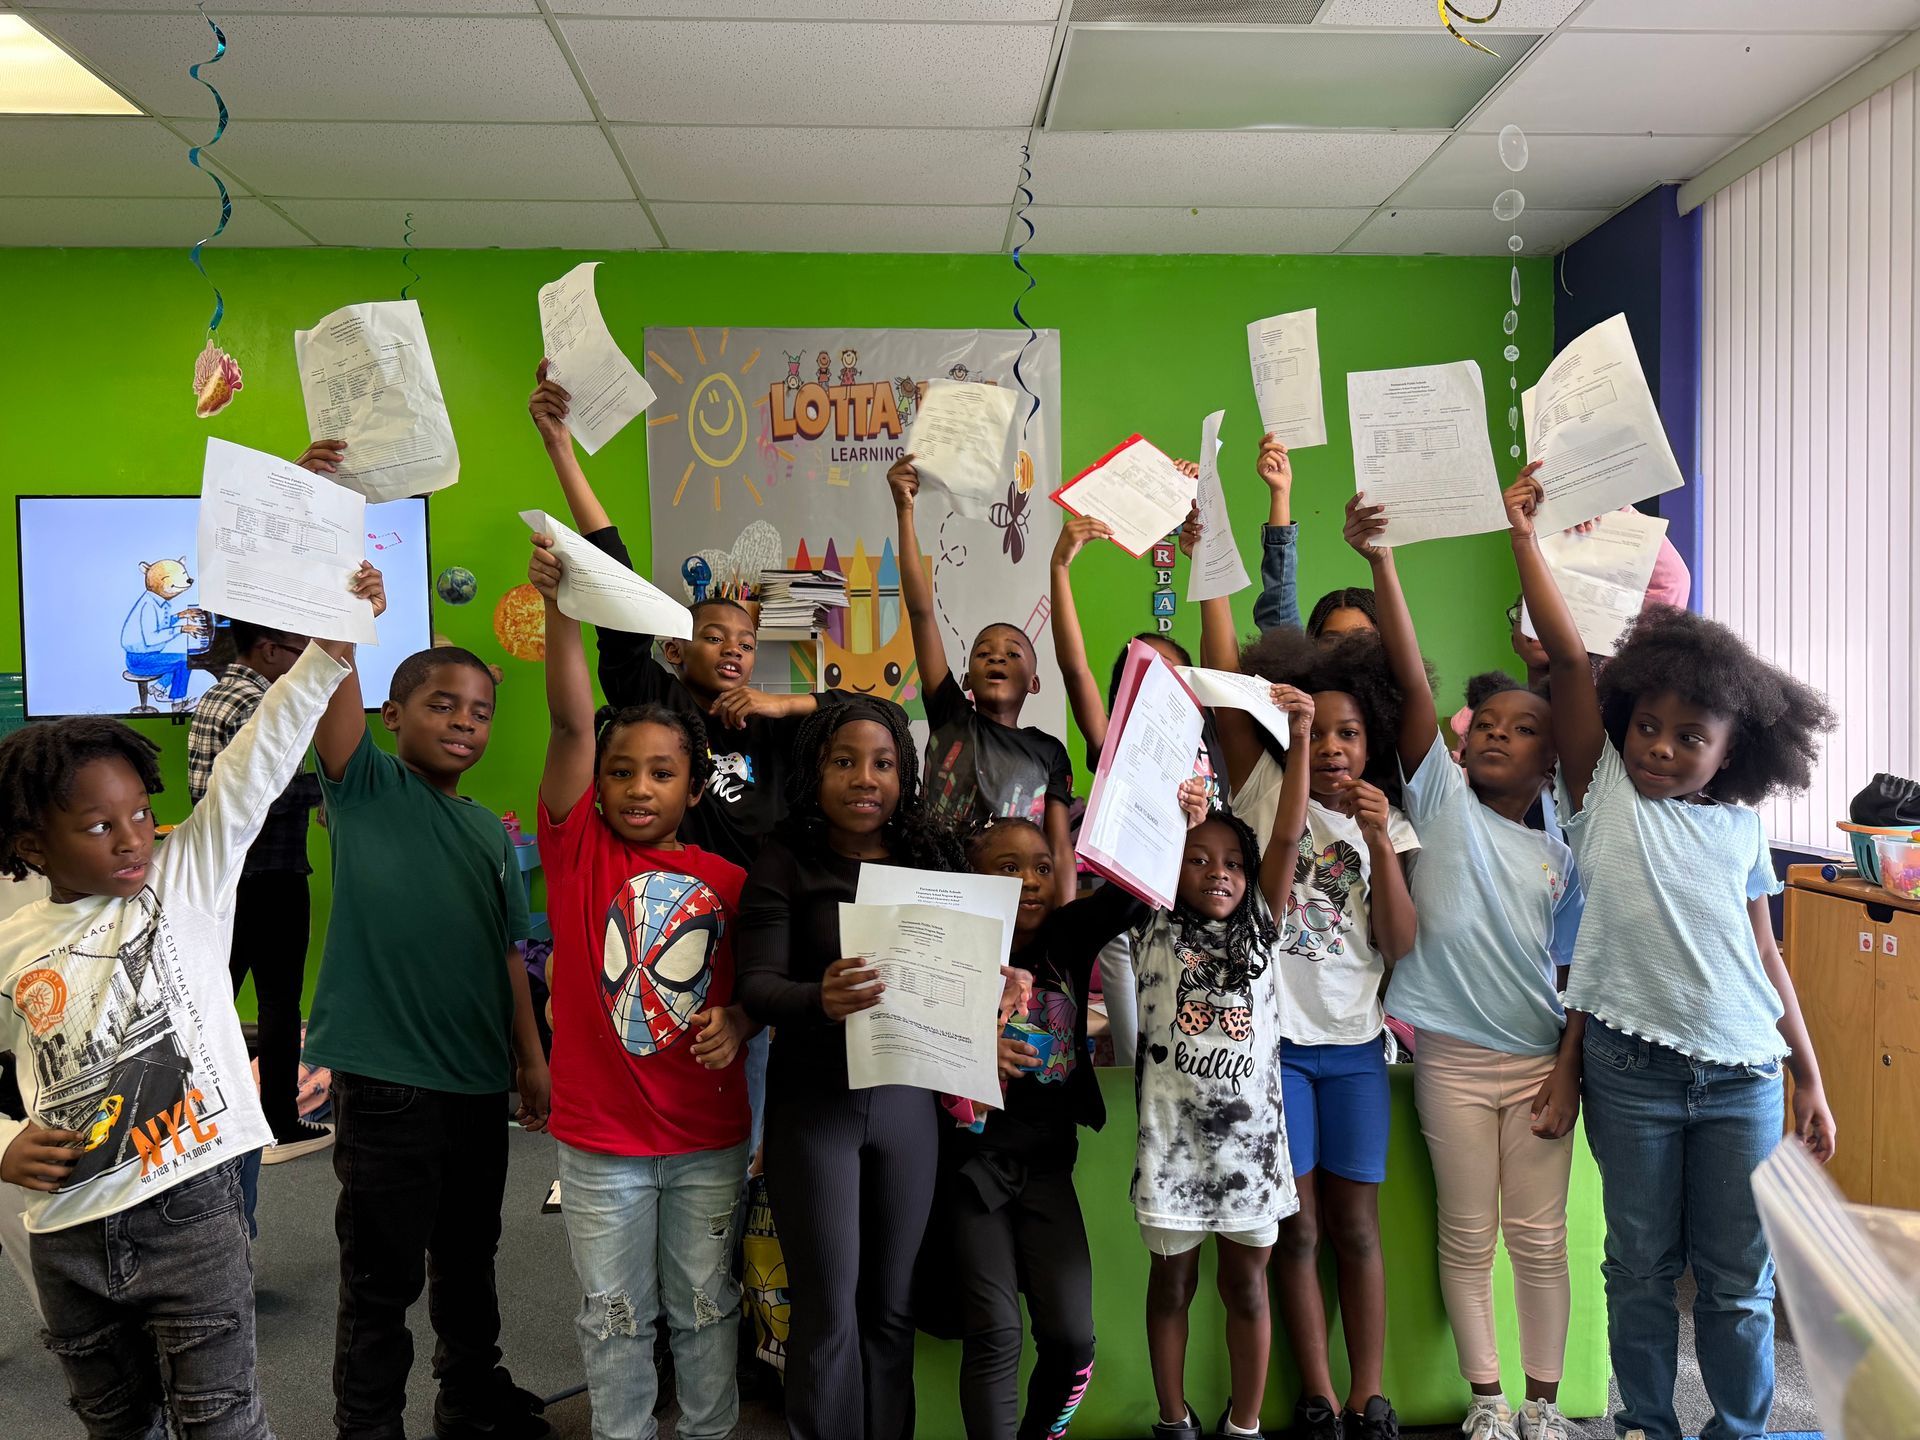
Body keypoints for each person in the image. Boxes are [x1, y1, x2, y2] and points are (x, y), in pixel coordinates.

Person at [0, 567, 377, 1440]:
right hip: (69, 1236)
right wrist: (6, 1142)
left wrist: (328, 648)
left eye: (139, 811)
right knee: (118, 1425)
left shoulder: (189, 875)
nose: (133, 835)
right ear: (31, 843)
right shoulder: (13, 940)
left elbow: (255, 764)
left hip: (193, 1214)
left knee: (223, 1422)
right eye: (99, 826)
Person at [1507, 464, 1837, 1440]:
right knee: (1640, 1269)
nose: (1658, 746)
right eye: (1646, 726)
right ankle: (1649, 1424)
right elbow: (1570, 664)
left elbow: (1768, 964)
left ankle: (1735, 1429)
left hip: (1741, 1077)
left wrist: (1808, 1080)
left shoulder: (1738, 834)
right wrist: (1525, 537)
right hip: (1632, 1074)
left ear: (1732, 753)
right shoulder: (1603, 794)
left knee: (1739, 1282)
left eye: (1687, 736)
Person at [530, 362, 842, 1159]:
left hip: (748, 937)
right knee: (657, 1089)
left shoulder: (766, 724)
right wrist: (562, 449)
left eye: (746, 645)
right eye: (714, 638)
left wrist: (780, 704)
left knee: (750, 1119)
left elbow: (861, 714)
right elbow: (612, 567)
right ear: (678, 646)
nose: (733, 653)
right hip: (651, 921)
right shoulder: (652, 700)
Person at [1346, 493, 1588, 1440]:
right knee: (1466, 1233)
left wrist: (1567, 1069)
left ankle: (1542, 1405)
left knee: (1540, 1240)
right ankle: (1488, 1403)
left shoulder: (1565, 848)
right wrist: (1386, 560)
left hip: (1536, 1064)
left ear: (1549, 758)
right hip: (1446, 1057)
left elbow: (1578, 973)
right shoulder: (1436, 797)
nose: (1494, 730)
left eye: (1522, 726)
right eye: (1484, 719)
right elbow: (1410, 683)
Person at [530, 530, 757, 1440]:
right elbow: (570, 724)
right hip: (601, 1148)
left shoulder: (730, 880)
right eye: (621, 772)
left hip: (705, 1139)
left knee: (705, 1312)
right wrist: (559, 609)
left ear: (693, 788)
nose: (636, 787)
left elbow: (772, 983)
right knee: (615, 1318)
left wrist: (741, 1015)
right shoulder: (576, 848)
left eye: (661, 773)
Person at [304, 641, 551, 1440]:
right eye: (442, 704)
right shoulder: (368, 787)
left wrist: (531, 1058)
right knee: (381, 1277)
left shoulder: (487, 833)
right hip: (388, 1085)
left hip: (478, 1082)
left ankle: (470, 1397)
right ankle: (368, 1425)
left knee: (470, 1256)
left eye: (481, 711)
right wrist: (345, 614)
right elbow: (333, 686)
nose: (464, 723)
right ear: (392, 715)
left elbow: (509, 952)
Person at [1199, 587, 1418, 1440]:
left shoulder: (1386, 819)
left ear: (1372, 744)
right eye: (1318, 731)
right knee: (1300, 1229)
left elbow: (1399, 941)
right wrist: (1206, 542)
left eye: (1349, 734)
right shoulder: (1263, 791)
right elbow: (1222, 669)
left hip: (1357, 1051)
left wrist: (1379, 846)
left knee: (1357, 1231)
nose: (1331, 747)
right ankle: (1320, 1395)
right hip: (1277, 1049)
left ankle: (1370, 1396)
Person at [735, 696, 966, 1440]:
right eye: (844, 761)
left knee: (892, 1308)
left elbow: (969, 971)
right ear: (816, 771)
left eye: (883, 764)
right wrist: (817, 995)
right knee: (828, 1307)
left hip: (906, 1107)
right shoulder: (783, 860)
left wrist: (1003, 981)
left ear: (904, 776)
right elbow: (756, 985)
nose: (864, 778)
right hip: (816, 1106)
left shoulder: (930, 862)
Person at [936, 816, 1142, 1438]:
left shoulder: (1068, 936)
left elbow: (1133, 889)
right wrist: (974, 1048)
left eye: (1042, 868)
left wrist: (1176, 811)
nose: (1028, 880)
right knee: (996, 1331)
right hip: (970, 1169)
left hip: (1048, 1165)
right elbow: (904, 1041)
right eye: (1007, 867)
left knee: (1073, 1340)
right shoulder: (947, 946)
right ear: (972, 879)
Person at [1137, 729, 1311, 1440]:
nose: (1220, 872)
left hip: (1251, 1163)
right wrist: (1173, 810)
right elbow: (1137, 836)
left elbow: (1290, 835)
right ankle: (1173, 1421)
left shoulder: (1262, 928)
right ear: (1169, 869)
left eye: (1234, 862)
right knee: (1172, 1286)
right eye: (1199, 859)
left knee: (1246, 1287)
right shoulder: (1152, 925)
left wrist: (1299, 738)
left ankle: (1244, 1426)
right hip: (1170, 1153)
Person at [1047, 491, 1223, 1066]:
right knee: (1136, 1066)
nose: (1155, 682)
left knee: (1194, 1063)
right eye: (1139, 670)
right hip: (1130, 931)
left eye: (1170, 672)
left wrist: (1202, 551)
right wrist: (1061, 568)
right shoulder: (1119, 747)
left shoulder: (1214, 745)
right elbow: (1075, 670)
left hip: (1200, 930)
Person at [888, 454, 1076, 906]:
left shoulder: (1048, 751)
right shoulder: (952, 715)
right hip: (937, 890)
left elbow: (1058, 848)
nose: (997, 658)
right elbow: (921, 612)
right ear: (968, 678)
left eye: (1013, 654)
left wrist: (1064, 921)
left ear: (1033, 682)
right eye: (984, 653)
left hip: (1011, 901)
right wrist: (905, 509)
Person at [187, 617, 331, 1170]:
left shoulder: (218, 696)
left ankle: (202, 1117)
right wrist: (333, 786)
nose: (304, 666)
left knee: (214, 998)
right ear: (270, 649)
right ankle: (278, 1121)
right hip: (269, 875)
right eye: (300, 652)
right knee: (277, 1003)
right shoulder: (261, 705)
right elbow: (269, 787)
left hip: (226, 877)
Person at [1245, 434, 1378, 643]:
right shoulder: (1302, 673)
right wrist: (1280, 492)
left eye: (1361, 638)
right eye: (1331, 640)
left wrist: (1382, 560)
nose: (1347, 649)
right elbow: (1279, 607)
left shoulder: (1403, 674)